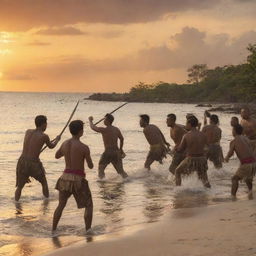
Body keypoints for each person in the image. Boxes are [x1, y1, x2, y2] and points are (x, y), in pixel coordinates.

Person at [52, 120, 94, 232]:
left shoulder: (65, 143)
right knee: (89, 205)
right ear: (81, 131)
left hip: (64, 178)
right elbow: (90, 166)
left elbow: (57, 155)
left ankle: (53, 230)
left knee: (61, 205)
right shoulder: (84, 147)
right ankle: (88, 231)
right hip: (78, 179)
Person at [15, 115, 61, 201]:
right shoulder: (44, 136)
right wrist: (57, 140)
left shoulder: (28, 131)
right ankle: (46, 204)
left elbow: (32, 145)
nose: (46, 126)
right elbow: (51, 146)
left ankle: (16, 204)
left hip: (22, 161)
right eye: (46, 124)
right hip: (33, 163)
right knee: (44, 183)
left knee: (20, 186)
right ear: (43, 124)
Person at [175, 116, 211, 188]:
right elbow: (208, 148)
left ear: (190, 124)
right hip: (201, 159)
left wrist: (176, 149)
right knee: (204, 179)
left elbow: (180, 149)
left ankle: (178, 190)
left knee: (177, 171)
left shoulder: (186, 135)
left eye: (186, 123)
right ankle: (210, 192)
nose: (185, 125)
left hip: (191, 159)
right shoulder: (203, 135)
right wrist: (204, 157)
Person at [88, 114, 128, 179]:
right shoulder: (116, 129)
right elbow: (122, 139)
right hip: (116, 152)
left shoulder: (104, 130)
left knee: (101, 168)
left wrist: (90, 120)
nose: (103, 120)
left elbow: (93, 127)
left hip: (108, 152)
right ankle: (128, 180)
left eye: (104, 119)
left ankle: (102, 182)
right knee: (121, 171)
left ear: (108, 120)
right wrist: (121, 149)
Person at [225, 124, 256, 198]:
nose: (232, 131)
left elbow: (231, 153)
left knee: (234, 179)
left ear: (234, 131)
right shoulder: (246, 138)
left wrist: (226, 158)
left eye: (232, 130)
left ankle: (233, 196)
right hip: (253, 163)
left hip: (246, 163)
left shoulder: (234, 141)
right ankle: (250, 191)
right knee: (248, 178)